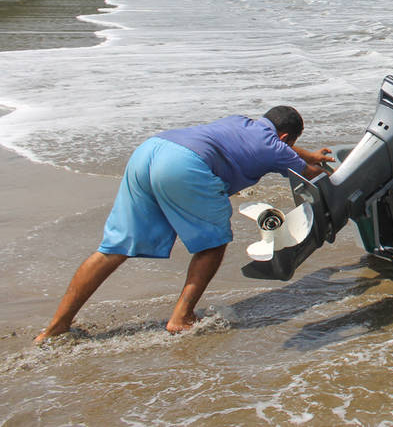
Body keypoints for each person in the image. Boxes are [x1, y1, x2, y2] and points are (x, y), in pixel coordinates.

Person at [36, 106, 333, 342]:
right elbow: (311, 173)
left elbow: (282, 149)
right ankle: (181, 317)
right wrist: (325, 168)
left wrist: (309, 152)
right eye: (291, 143)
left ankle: (56, 326)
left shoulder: (241, 122)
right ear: (285, 138)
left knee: (113, 248)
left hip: (150, 152)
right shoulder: (276, 147)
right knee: (213, 243)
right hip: (186, 165)